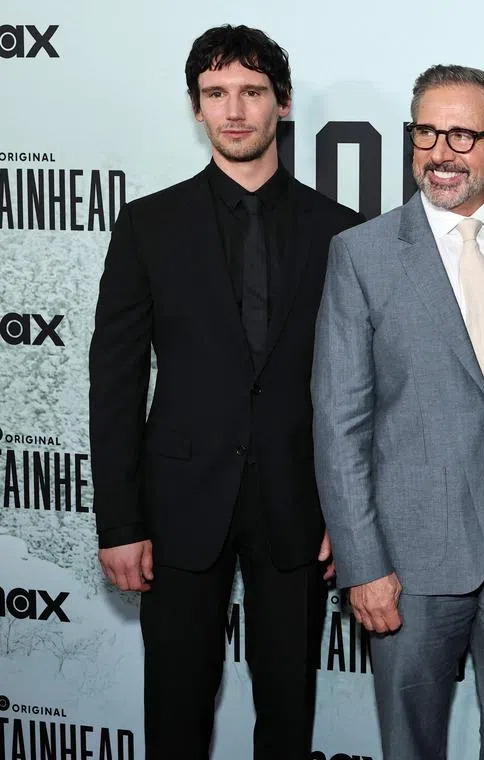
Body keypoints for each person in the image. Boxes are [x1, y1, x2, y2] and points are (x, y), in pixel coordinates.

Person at [89, 24, 362, 759]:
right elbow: (113, 380)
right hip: (176, 505)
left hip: (297, 505)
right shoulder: (149, 224)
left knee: (289, 708)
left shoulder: (341, 232)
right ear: (196, 107)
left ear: (284, 104)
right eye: (216, 94)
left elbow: (360, 387)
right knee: (175, 707)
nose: (234, 110)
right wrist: (118, 520)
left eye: (250, 92)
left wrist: (348, 508)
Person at [312, 64, 484, 760]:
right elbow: (339, 422)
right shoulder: (362, 255)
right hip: (406, 565)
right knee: (409, 747)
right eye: (426, 132)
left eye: (462, 134)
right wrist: (363, 564)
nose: (440, 151)